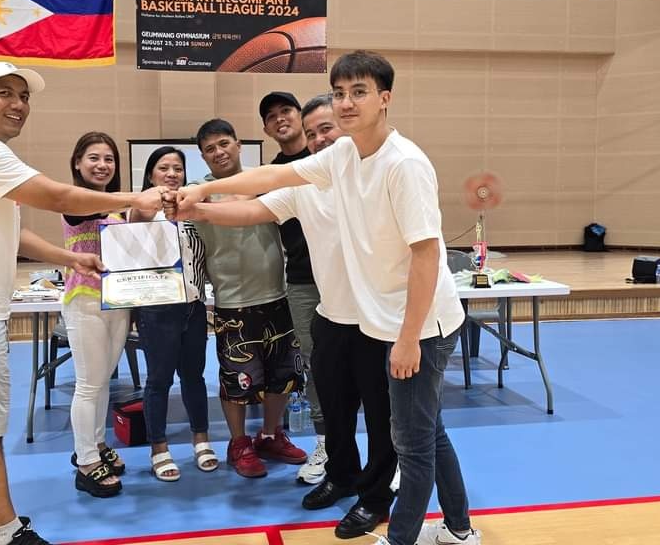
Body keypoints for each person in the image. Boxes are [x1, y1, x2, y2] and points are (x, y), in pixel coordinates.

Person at [177, 51, 480, 545]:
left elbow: (427, 255)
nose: (346, 103)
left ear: (385, 98)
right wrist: (201, 196)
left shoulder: (404, 164)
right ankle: (460, 530)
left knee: (411, 442)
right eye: (340, 93)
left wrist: (408, 339)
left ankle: (400, 538)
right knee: (428, 431)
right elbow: (270, 180)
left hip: (421, 324)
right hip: (382, 319)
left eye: (359, 92)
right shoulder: (342, 158)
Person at [0, 61, 167, 545]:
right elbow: (57, 197)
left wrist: (70, 258)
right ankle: (8, 532)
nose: (18, 104)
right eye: (4, 93)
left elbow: (14, 233)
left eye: (24, 96)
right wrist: (136, 198)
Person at [180, 95, 397, 539]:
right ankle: (341, 474)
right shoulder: (302, 181)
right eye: (313, 134)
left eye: (325, 129)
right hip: (326, 307)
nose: (319, 139)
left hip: (372, 306)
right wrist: (197, 205)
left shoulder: (377, 170)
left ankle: (375, 495)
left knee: (376, 403)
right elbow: (255, 205)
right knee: (332, 395)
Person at [191, 118, 308, 479]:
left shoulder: (263, 180)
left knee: (282, 374)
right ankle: (239, 442)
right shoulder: (198, 191)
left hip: (278, 294)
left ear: (239, 144)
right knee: (237, 379)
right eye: (210, 149)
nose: (219, 152)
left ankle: (270, 435)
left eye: (224, 143)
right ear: (202, 157)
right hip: (232, 302)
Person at [129, 146, 218, 482]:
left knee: (194, 377)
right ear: (150, 174)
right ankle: (159, 447)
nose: (171, 174)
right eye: (163, 168)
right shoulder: (140, 210)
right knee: (159, 380)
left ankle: (201, 440)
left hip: (194, 305)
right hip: (157, 309)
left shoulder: (191, 211)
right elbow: (133, 238)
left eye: (177, 168)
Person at [259, 90, 328, 484]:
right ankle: (326, 443)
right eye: (271, 116)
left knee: (370, 364)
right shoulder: (272, 175)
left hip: (349, 278)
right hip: (303, 282)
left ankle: (388, 451)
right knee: (316, 365)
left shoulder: (330, 158)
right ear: (266, 129)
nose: (280, 119)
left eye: (286, 110)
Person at [60, 132, 133, 498]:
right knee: (88, 384)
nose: (102, 165)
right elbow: (88, 207)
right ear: (77, 162)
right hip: (85, 301)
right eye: (94, 158)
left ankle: (98, 443)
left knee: (102, 382)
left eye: (109, 159)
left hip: (118, 302)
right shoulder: (74, 199)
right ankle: (86, 462)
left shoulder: (119, 210)